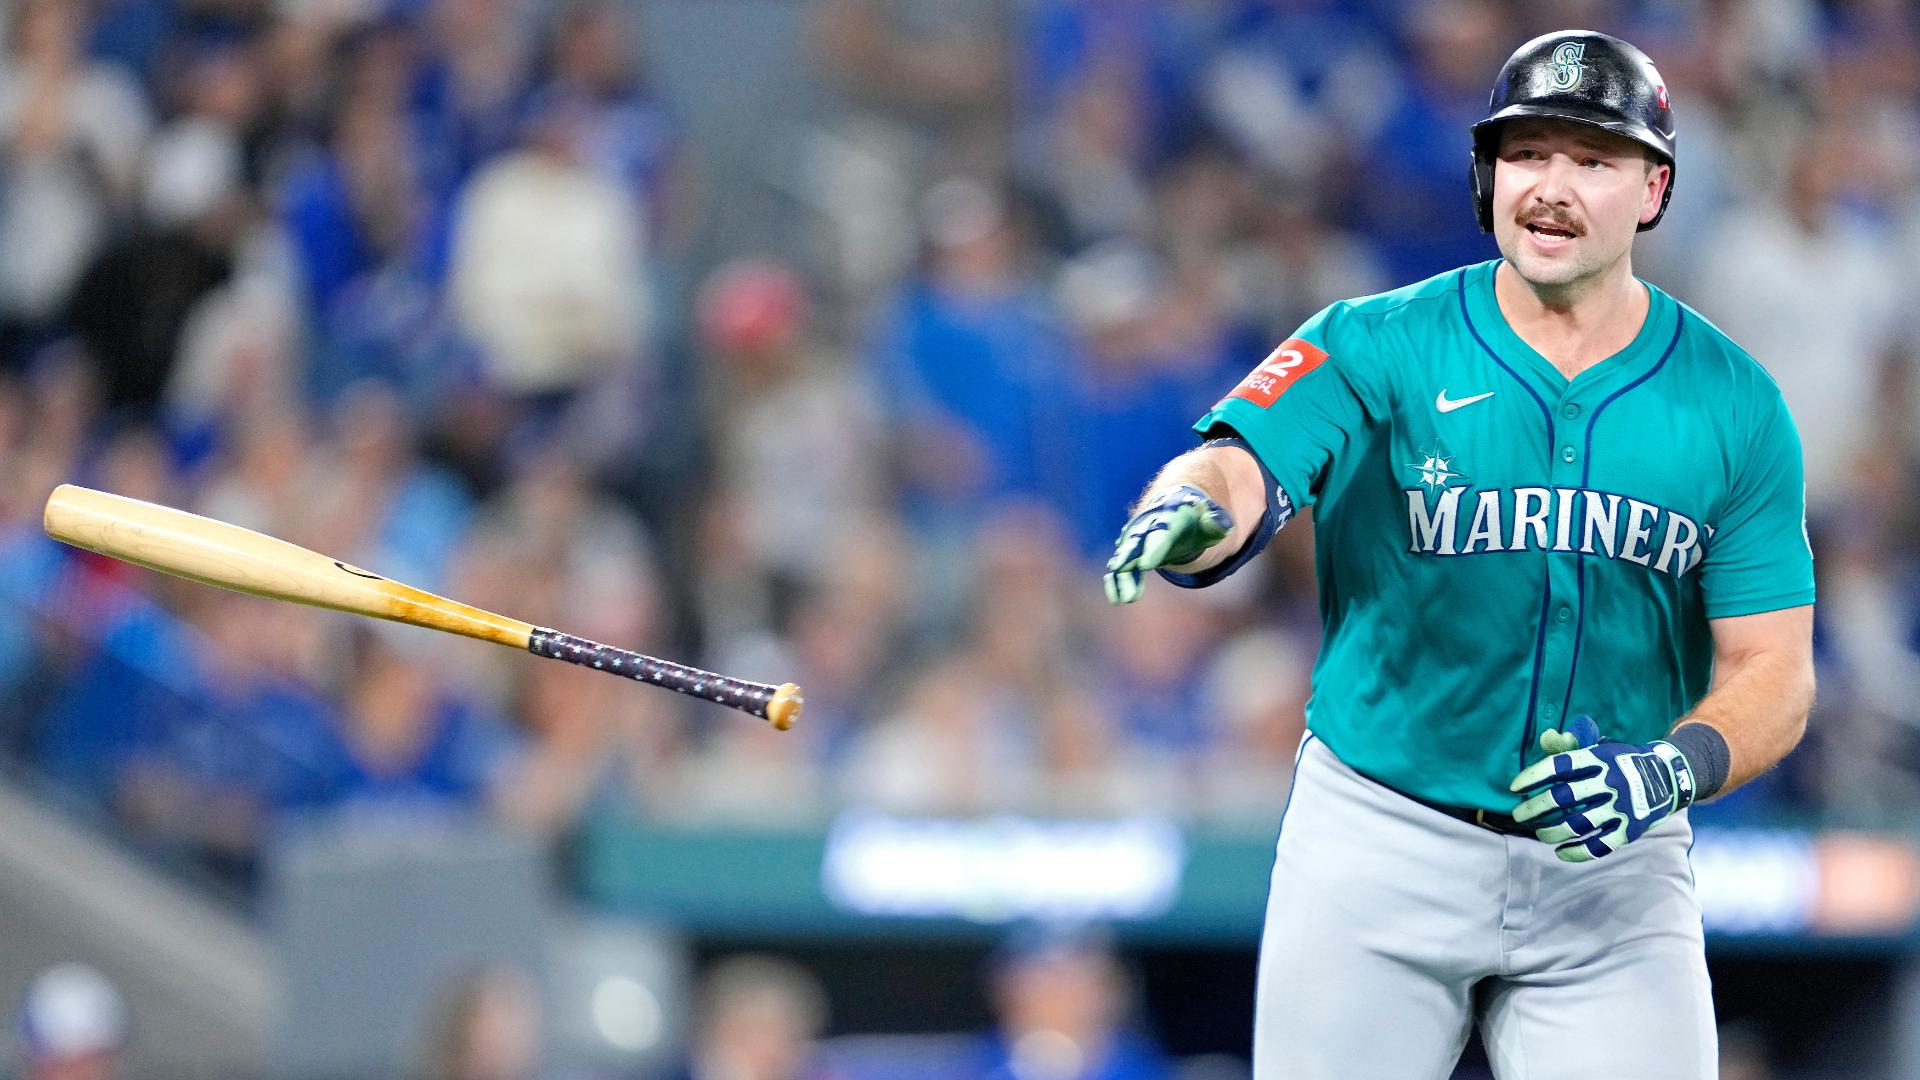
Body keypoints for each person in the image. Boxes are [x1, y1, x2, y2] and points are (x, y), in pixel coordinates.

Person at [1102, 30, 1815, 1079]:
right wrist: (1193, 505)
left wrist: (1673, 767)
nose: (1552, 187)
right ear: (1488, 177)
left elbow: (1775, 670)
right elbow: (1240, 462)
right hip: (1382, 840)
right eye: (1527, 154)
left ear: (1655, 188)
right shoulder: (1376, 338)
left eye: (1593, 159)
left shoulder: (1736, 402)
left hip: (1612, 867)